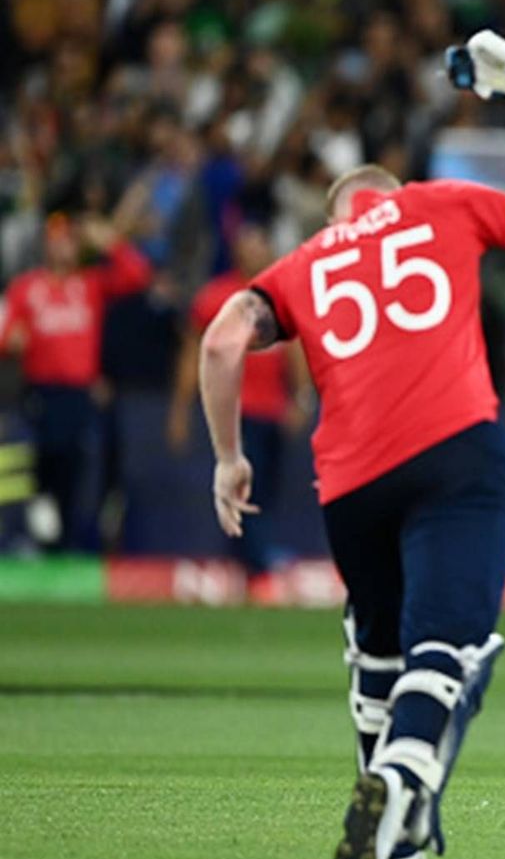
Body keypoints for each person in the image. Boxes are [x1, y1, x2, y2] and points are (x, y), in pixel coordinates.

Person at [199, 24, 505, 859]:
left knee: (378, 649)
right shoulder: (438, 203)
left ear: (337, 217)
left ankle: (401, 842)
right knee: (445, 650)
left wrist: (228, 459)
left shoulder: (305, 263)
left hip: (350, 485)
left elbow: (223, 341)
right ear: (393, 195)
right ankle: (400, 777)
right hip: (456, 452)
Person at [168, 223, 312, 602]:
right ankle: (260, 570)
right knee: (242, 487)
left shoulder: (280, 292)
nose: (255, 250)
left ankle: (248, 570)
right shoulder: (215, 296)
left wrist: (300, 397)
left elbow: (295, 348)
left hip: (271, 411)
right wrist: (181, 409)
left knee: (263, 491)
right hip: (234, 412)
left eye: (260, 242)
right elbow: (195, 354)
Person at [0, 213, 151, 551]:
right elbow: (6, 333)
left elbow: (138, 276)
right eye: (56, 240)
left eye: (68, 240)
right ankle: (39, 515)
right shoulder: (27, 287)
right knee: (46, 452)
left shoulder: (89, 285)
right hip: (42, 391)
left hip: (80, 394)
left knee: (76, 465)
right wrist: (13, 341)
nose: (62, 247)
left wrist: (109, 241)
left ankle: (63, 541)